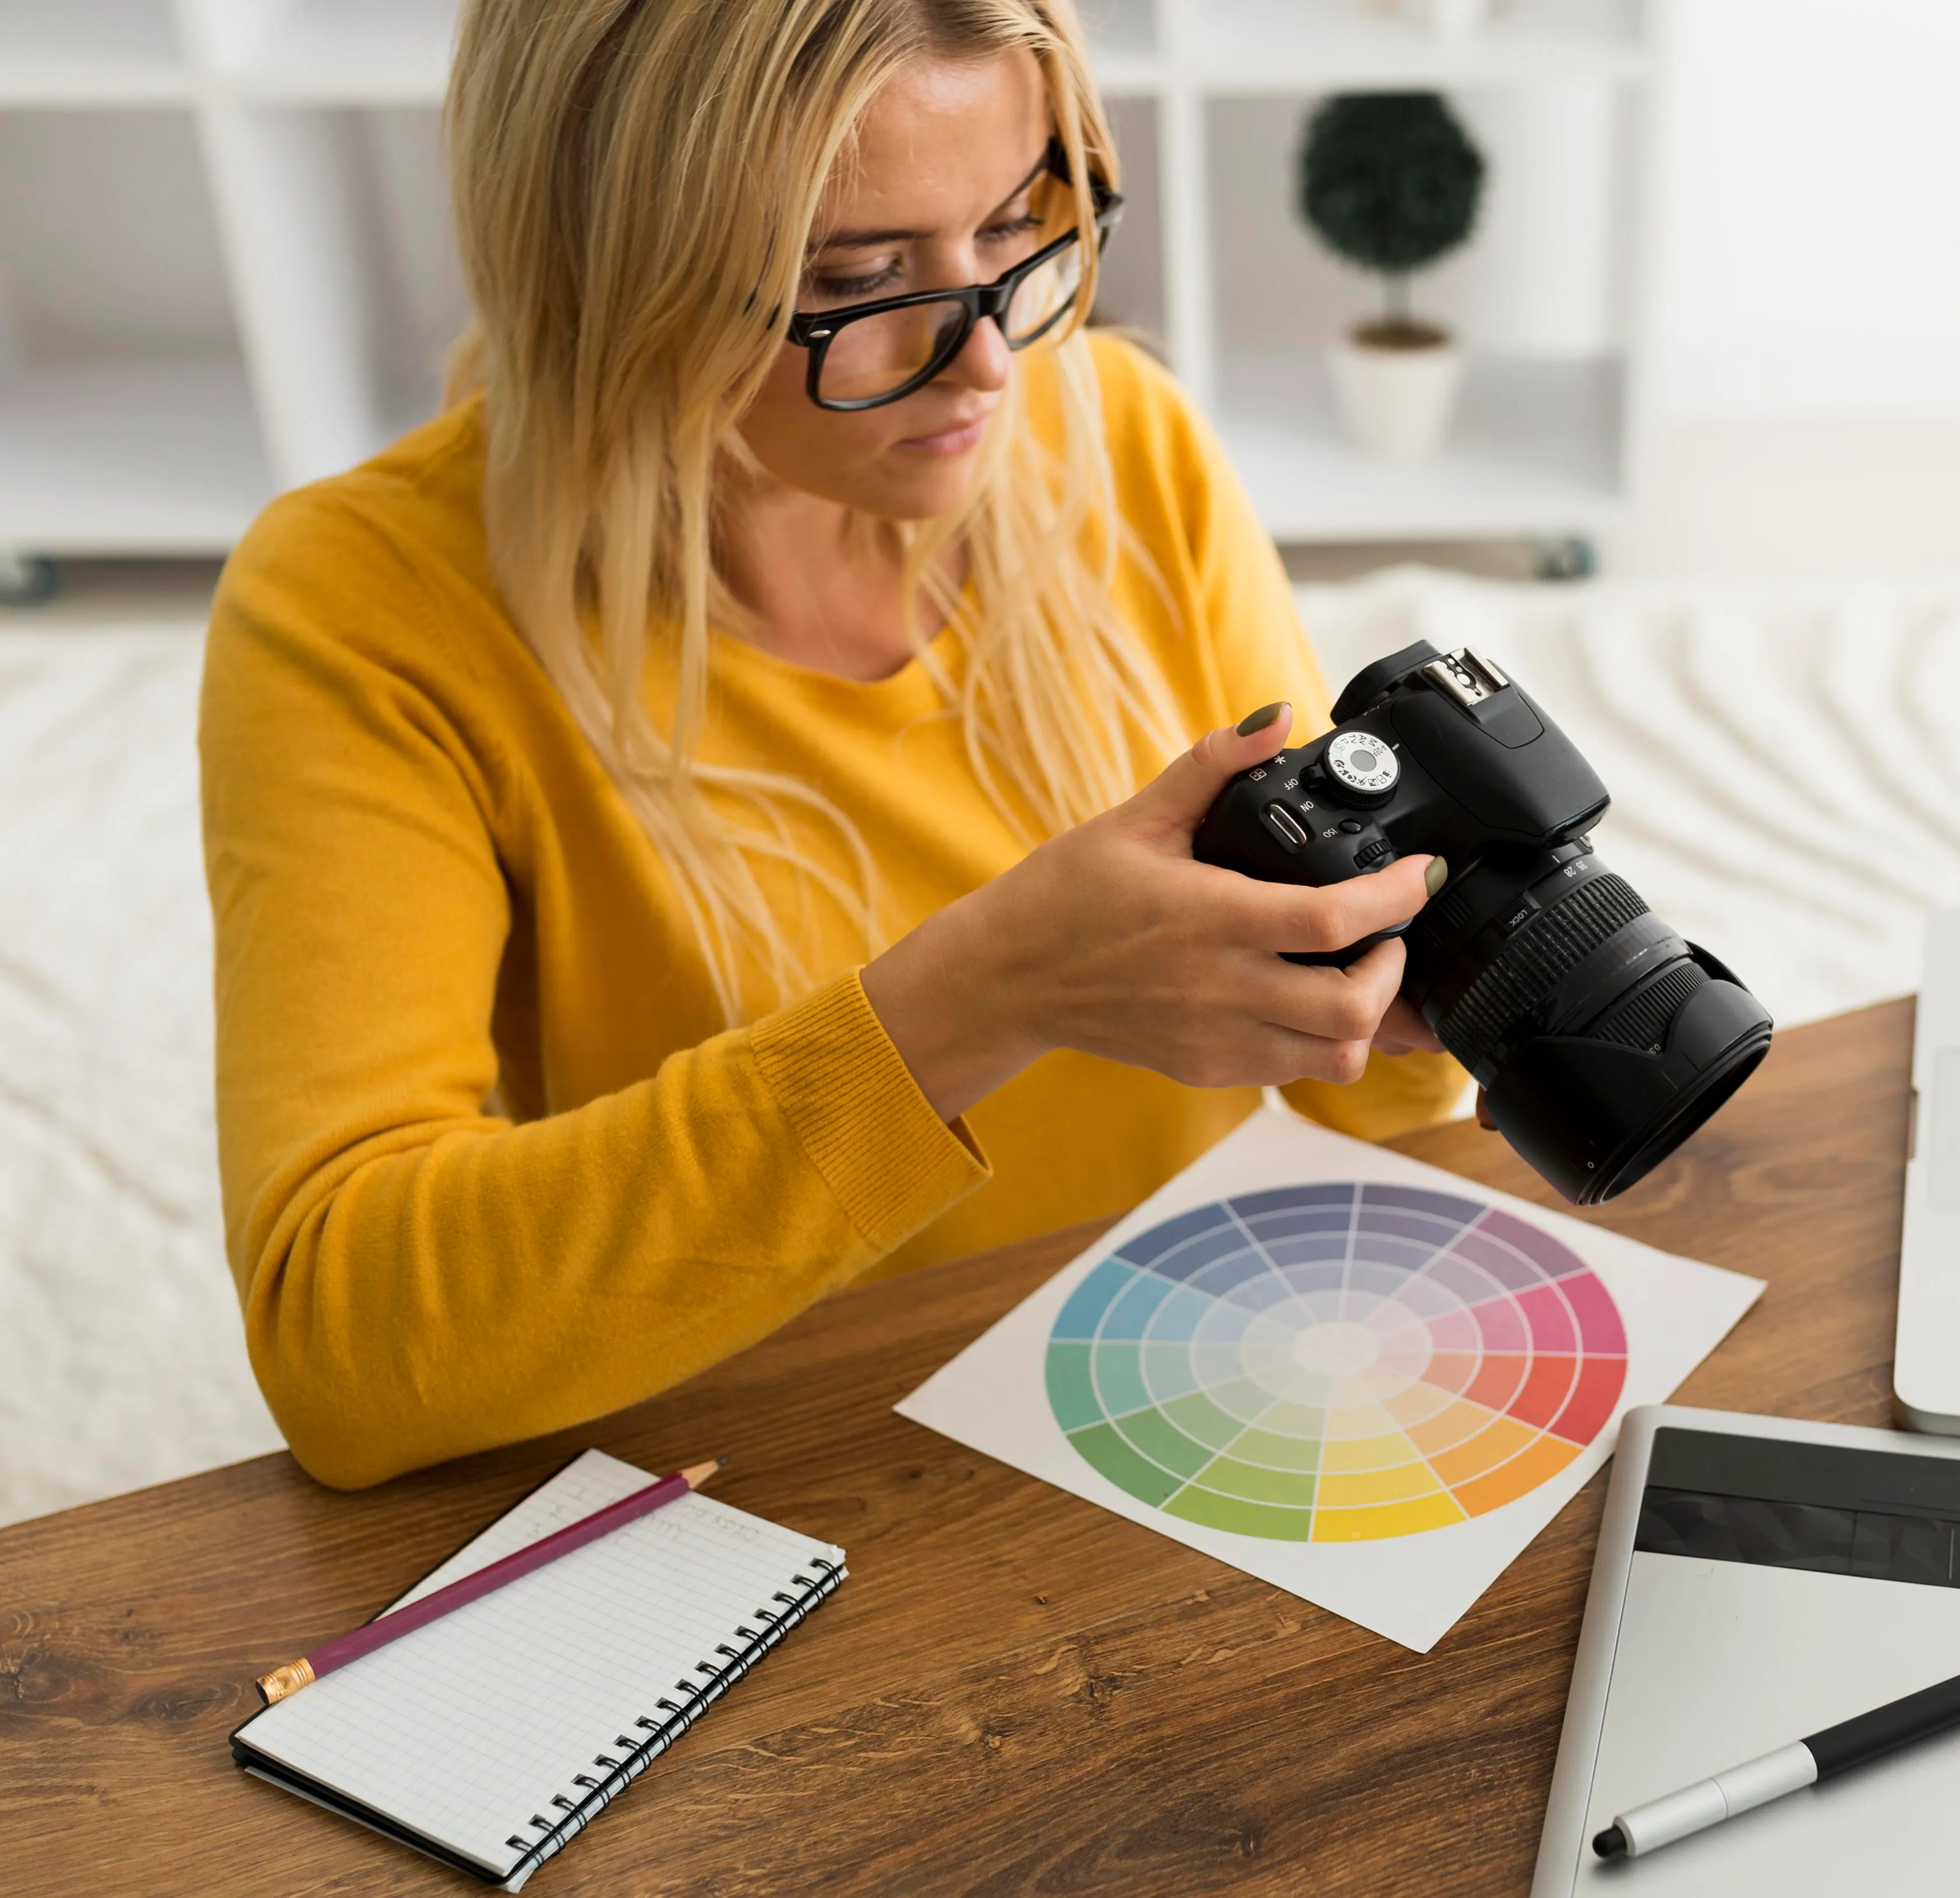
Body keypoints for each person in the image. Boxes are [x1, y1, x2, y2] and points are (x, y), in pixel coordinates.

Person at [199, 0, 1464, 1491]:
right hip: (743, 1489)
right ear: (607, 272)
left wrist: (1405, 966)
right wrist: (973, 1000)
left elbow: (1372, 1097)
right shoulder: (365, 605)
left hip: (1175, 1399)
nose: (988, 364)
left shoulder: (1121, 438)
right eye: (857, 282)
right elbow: (344, 1346)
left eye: (1014, 229)